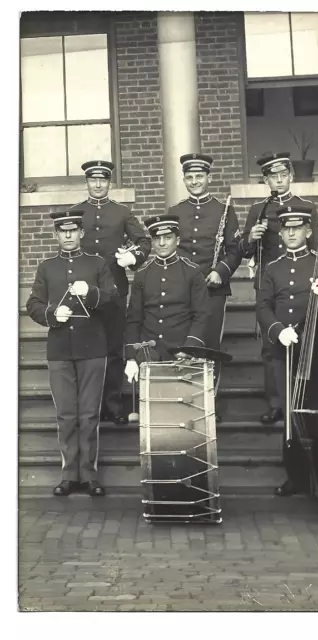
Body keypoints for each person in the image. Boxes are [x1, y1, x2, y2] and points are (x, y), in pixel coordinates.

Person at [256, 204, 318, 497]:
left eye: (297, 228)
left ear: (309, 231)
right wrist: (276, 330)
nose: (291, 233)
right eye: (286, 228)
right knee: (291, 414)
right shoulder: (271, 268)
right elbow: (262, 307)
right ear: (281, 233)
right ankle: (297, 475)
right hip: (287, 349)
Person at [26, 210, 119, 497]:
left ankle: (89, 475)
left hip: (92, 348)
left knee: (89, 414)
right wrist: (53, 314)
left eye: (73, 230)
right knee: (66, 415)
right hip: (60, 351)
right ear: (56, 234)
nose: (68, 236)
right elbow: (33, 304)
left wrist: (90, 292)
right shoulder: (46, 267)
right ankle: (69, 475)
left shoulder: (97, 263)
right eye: (62, 231)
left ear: (81, 233)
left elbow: (113, 298)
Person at [240, 152, 318, 425]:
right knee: (271, 345)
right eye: (273, 176)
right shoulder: (257, 210)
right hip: (269, 284)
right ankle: (275, 403)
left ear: (291, 176)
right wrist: (251, 237)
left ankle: (303, 399)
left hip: (299, 285)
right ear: (265, 180)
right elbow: (244, 250)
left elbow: (317, 249)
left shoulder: (306, 207)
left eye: (283, 175)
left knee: (305, 341)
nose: (279, 180)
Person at [71, 160, 151, 425]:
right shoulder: (76, 211)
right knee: (86, 347)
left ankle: (114, 404)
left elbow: (144, 242)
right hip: (83, 291)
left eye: (103, 180)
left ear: (109, 183)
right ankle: (89, 405)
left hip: (115, 289)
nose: (97, 185)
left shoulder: (122, 212)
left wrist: (133, 258)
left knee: (115, 347)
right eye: (93, 180)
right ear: (87, 182)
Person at [167, 153, 242, 418]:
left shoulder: (224, 210)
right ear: (184, 179)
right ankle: (186, 402)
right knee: (184, 345)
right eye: (190, 177)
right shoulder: (175, 212)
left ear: (209, 178)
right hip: (183, 291)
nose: (195, 181)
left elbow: (235, 250)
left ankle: (208, 405)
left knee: (209, 346)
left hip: (213, 289)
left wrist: (221, 271)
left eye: (200, 176)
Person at [124, 214, 209, 384]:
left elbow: (202, 315)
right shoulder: (142, 274)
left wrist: (189, 347)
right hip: (149, 354)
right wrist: (131, 357)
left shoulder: (192, 271)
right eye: (157, 238)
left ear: (177, 240)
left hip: (182, 352)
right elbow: (134, 318)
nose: (161, 243)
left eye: (167, 237)